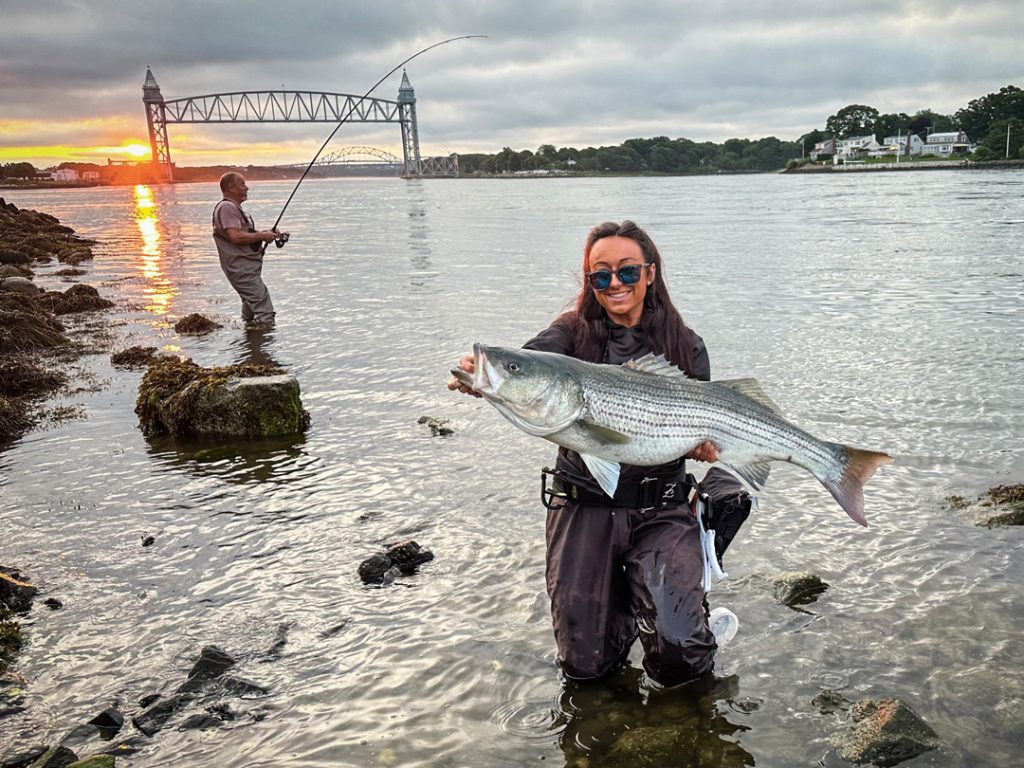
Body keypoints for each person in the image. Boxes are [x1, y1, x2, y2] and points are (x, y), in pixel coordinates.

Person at [448, 220, 752, 688]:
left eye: (627, 272)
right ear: (589, 281)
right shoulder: (569, 333)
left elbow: (701, 430)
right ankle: (629, 619)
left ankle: (687, 625)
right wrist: (486, 379)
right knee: (585, 666)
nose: (614, 284)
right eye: (600, 275)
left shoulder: (686, 344)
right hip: (582, 503)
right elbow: (529, 365)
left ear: (650, 273)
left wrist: (703, 447)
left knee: (681, 660)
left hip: (663, 506)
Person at [212, 172, 288, 326]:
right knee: (265, 312)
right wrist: (262, 236)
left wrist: (268, 234)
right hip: (241, 268)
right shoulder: (227, 207)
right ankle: (262, 345)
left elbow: (243, 235)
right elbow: (236, 237)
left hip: (245, 267)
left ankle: (249, 344)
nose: (247, 188)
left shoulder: (233, 208)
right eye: (242, 184)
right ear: (231, 188)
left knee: (250, 311)